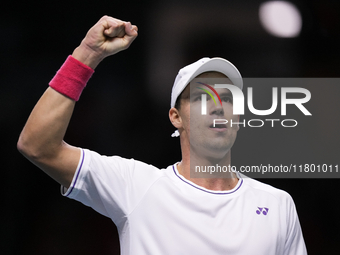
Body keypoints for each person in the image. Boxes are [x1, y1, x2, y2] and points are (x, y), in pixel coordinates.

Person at [17, 15, 307, 254]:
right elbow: (37, 145)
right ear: (176, 117)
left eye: (228, 99)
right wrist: (87, 54)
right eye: (203, 98)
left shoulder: (278, 205)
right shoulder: (135, 187)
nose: (219, 108)